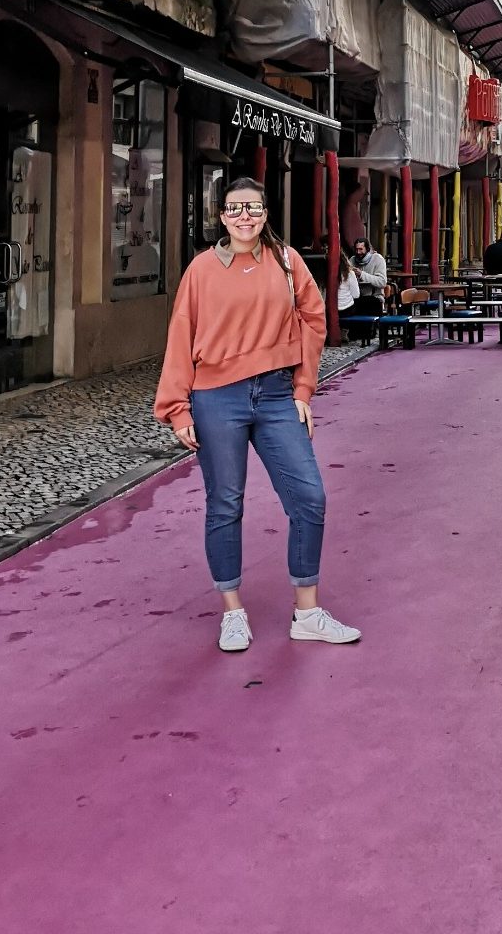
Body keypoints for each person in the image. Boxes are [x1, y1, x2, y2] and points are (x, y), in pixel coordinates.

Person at [154, 177, 360, 654]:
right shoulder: (202, 270)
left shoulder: (286, 262)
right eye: (234, 209)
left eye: (253, 207)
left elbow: (314, 320)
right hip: (215, 398)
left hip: (274, 395)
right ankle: (232, 613)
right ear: (221, 217)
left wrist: (303, 390)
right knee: (225, 503)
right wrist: (177, 407)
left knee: (309, 497)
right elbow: (181, 336)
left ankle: (307, 612)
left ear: (265, 212)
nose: (244, 216)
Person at [351, 237, 388, 313]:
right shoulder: (352, 260)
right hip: (356, 298)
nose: (358, 252)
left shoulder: (378, 259)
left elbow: (382, 282)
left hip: (374, 298)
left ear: (367, 249)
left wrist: (361, 274)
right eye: (356, 249)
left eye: (361, 249)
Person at [337, 249, 360, 315]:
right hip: (347, 309)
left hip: (330, 308)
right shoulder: (350, 273)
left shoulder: (326, 273)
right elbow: (356, 295)